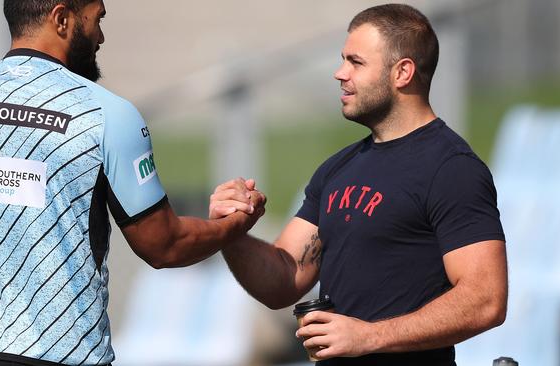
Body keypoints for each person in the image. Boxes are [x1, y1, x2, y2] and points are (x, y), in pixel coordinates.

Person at [0, 1, 264, 365]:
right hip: (64, 356)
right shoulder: (107, 115)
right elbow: (164, 245)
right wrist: (236, 223)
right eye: (97, 20)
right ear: (62, 19)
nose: (101, 37)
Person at [209, 4, 507, 365]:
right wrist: (231, 232)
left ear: (403, 72)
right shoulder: (337, 169)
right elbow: (283, 278)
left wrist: (369, 336)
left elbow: (486, 298)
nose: (339, 73)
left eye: (356, 62)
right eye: (342, 60)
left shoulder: (451, 168)